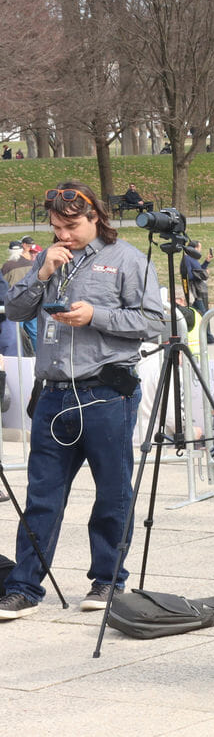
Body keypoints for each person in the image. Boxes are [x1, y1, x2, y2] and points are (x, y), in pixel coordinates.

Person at [0, 182, 168, 619]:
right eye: (56, 226)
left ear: (96, 217)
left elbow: (154, 321)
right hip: (53, 395)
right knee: (42, 495)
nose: (64, 234)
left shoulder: (128, 259)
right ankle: (24, 587)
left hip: (105, 393)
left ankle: (108, 580)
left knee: (112, 491)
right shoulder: (48, 257)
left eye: (71, 226)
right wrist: (39, 274)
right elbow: (15, 311)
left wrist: (97, 316)